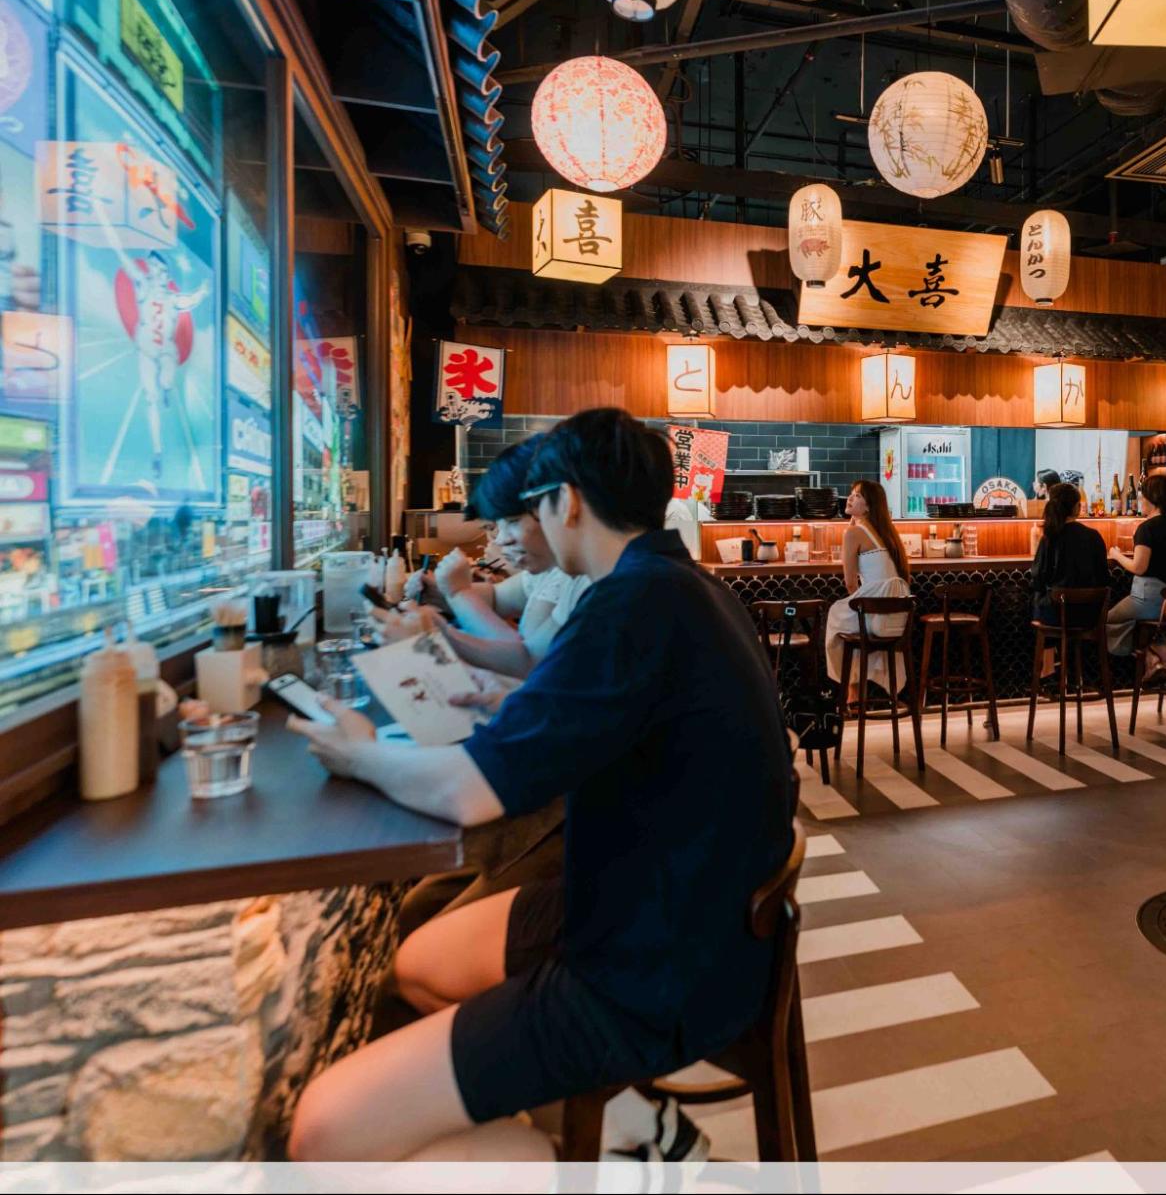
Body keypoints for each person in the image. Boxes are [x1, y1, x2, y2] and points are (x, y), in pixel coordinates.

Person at [285, 408, 795, 1167]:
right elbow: (612, 714)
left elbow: (468, 793)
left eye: (534, 504)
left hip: (650, 967)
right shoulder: (672, 583)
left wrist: (358, 754)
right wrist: (508, 705)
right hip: (676, 910)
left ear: (570, 501)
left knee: (324, 1130)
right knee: (418, 962)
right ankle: (637, 1132)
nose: (524, 524)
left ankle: (611, 1170)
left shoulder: (632, 603)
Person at [379, 435, 590, 682]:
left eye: (511, 522)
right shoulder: (556, 569)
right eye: (493, 527)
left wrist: (450, 611)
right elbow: (497, 598)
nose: (500, 539)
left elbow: (529, 663)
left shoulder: (589, 578)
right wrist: (444, 592)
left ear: (565, 503)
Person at [824, 479, 912, 701]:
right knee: (853, 624)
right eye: (852, 493)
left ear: (869, 506)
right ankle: (858, 687)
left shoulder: (854, 534)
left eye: (858, 495)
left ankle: (850, 689)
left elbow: (851, 584)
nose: (851, 497)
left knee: (835, 619)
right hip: (896, 621)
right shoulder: (887, 533)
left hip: (874, 619)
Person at [1031, 483, 1109, 676]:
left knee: (1038, 597)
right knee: (1047, 598)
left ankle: (1048, 663)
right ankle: (1066, 666)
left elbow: (1038, 578)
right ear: (1076, 507)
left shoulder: (1050, 537)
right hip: (1091, 617)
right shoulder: (1094, 536)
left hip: (1057, 618)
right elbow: (1105, 578)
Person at [1106, 473, 1166, 658]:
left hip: (1148, 599)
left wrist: (1116, 555)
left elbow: (1139, 567)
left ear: (1154, 499)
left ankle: (1147, 656)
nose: (1141, 500)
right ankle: (1157, 649)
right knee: (1142, 623)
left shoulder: (1146, 528)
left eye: (1143, 496)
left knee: (1105, 620)